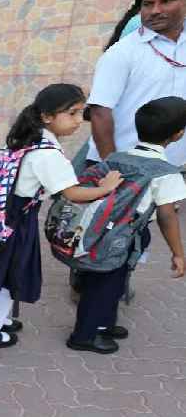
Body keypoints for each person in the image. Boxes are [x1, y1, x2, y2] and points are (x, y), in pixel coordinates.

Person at [0, 84, 122, 351]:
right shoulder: (47, 153)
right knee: (11, 278)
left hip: (2, 215)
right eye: (72, 113)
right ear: (46, 116)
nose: (79, 121)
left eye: (81, 113)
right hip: (18, 223)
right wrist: (106, 188)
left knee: (5, 273)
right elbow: (72, 193)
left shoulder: (27, 138)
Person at [69, 97, 186, 354]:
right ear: (178, 135)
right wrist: (177, 253)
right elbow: (167, 216)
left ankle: (104, 324)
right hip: (124, 236)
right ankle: (83, 336)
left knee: (111, 282)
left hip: (103, 231)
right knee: (104, 285)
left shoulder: (117, 157)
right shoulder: (166, 172)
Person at [87, 0, 186, 166]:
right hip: (124, 167)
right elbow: (99, 112)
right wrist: (112, 168)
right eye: (148, 4)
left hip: (172, 168)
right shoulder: (122, 52)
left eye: (166, 1)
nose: (155, 10)